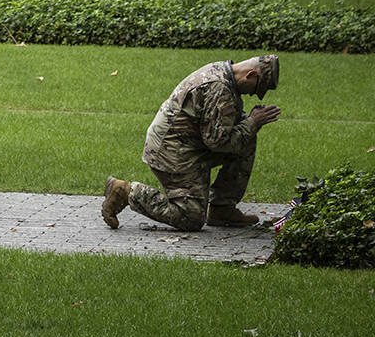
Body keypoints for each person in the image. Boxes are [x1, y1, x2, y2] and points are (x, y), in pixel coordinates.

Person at [101, 55, 281, 231]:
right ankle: (126, 191)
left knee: (246, 139)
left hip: (189, 144)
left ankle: (222, 209)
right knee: (190, 218)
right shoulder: (220, 87)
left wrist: (249, 122)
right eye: (256, 88)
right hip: (172, 152)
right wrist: (252, 122)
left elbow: (220, 126)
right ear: (251, 75)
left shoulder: (222, 72)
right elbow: (217, 142)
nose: (252, 94)